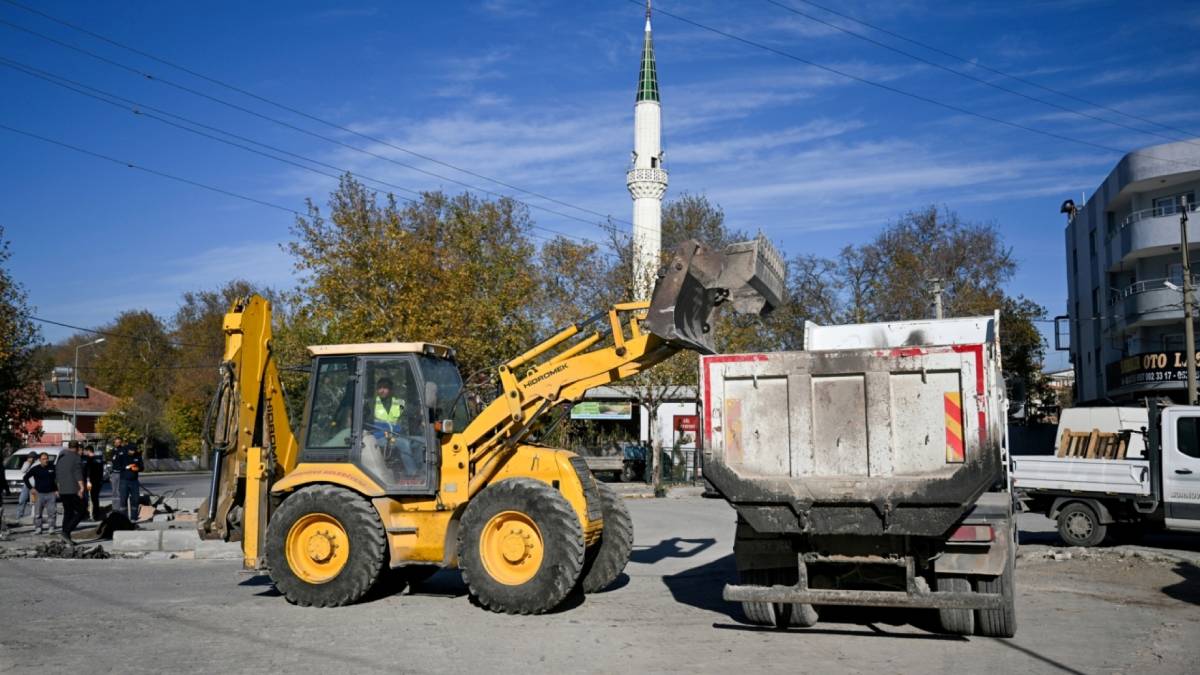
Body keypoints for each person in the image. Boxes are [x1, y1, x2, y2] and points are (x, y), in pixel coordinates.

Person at [56, 442, 86, 544]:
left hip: (63, 490)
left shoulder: (61, 458)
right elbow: (78, 473)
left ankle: (65, 538)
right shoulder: (76, 458)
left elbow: (57, 474)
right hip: (73, 489)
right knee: (82, 511)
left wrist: (58, 488)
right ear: (77, 448)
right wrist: (81, 487)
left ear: (69, 447)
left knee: (68, 512)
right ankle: (66, 532)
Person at [23, 452, 57, 534]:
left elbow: (58, 478)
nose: (46, 460)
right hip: (39, 494)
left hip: (51, 493)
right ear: (40, 460)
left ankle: (51, 528)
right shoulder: (35, 469)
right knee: (38, 513)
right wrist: (31, 488)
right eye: (43, 459)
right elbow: (25, 478)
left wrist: (57, 490)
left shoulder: (53, 467)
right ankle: (38, 528)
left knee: (52, 513)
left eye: (47, 459)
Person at [114, 443, 144, 519]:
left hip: (134, 481)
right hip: (124, 481)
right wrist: (127, 467)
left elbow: (142, 467)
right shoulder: (122, 455)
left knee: (135, 499)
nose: (133, 452)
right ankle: (124, 517)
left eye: (134, 450)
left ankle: (134, 517)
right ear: (128, 450)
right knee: (123, 499)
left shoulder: (138, 455)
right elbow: (117, 466)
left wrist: (138, 468)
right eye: (131, 450)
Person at [83, 445, 105, 519]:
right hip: (98, 481)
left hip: (92, 481)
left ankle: (93, 514)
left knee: (91, 498)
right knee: (94, 498)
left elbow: (89, 471)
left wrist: (88, 479)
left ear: (88, 451)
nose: (85, 453)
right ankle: (95, 514)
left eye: (85, 451)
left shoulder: (90, 459)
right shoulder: (99, 459)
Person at [14, 452, 35, 522]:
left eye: (32, 457)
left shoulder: (37, 463)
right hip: (26, 484)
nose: (30, 459)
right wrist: (28, 463)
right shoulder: (26, 463)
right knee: (22, 500)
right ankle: (19, 517)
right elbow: (23, 470)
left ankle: (33, 517)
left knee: (33, 502)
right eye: (29, 457)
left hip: (34, 485)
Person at [108, 438, 124, 511]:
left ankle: (121, 507)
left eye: (119, 442)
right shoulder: (112, 451)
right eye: (116, 442)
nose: (117, 444)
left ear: (121, 443)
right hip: (114, 473)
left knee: (120, 491)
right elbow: (110, 462)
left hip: (121, 473)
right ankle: (115, 507)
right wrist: (110, 473)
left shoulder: (123, 450)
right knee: (114, 491)